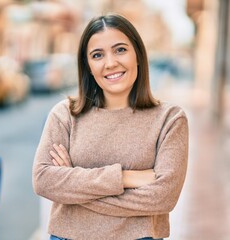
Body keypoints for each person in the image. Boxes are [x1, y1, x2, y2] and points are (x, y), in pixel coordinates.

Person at [32, 13, 189, 240]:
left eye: (120, 50)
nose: (110, 63)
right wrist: (124, 178)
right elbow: (44, 180)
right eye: (97, 55)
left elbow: (163, 197)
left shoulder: (169, 119)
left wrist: (75, 191)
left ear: (137, 55)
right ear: (88, 66)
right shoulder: (65, 115)